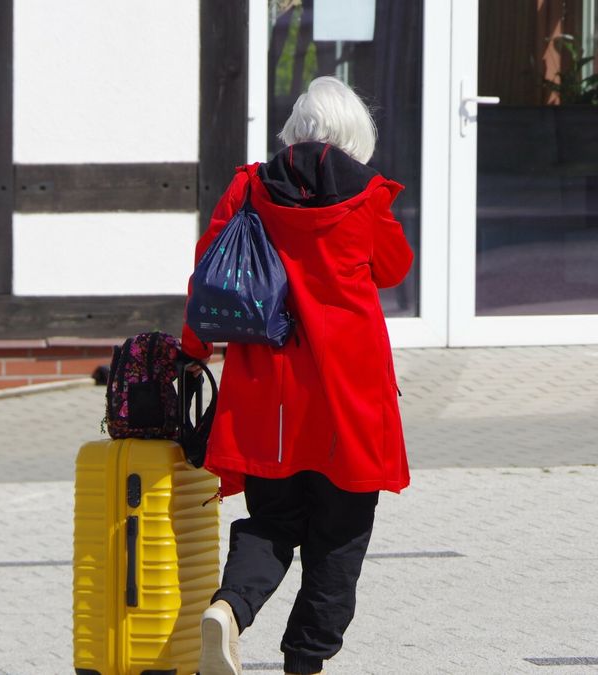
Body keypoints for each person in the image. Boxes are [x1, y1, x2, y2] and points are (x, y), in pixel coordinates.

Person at [180, 76, 413, 675]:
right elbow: (392, 268)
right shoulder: (368, 196)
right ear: (355, 133)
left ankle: (229, 611)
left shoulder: (249, 187)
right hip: (348, 400)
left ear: (295, 129)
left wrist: (192, 349)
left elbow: (209, 273)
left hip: (265, 395)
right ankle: (305, 663)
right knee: (339, 537)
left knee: (272, 521)